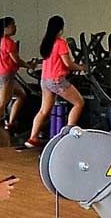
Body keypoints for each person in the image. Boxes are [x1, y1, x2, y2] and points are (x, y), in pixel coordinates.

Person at [27, 15, 85, 149]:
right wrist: (81, 67)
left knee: (44, 110)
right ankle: (68, 135)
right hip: (57, 80)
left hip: (45, 80)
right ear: (61, 28)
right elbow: (68, 63)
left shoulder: (46, 42)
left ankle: (32, 138)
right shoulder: (60, 43)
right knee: (79, 103)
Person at [0, 16, 27, 139]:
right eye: (12, 25)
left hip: (5, 75)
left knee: (21, 95)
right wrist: (28, 65)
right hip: (6, 76)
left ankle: (10, 123)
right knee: (1, 104)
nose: (15, 27)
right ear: (5, 28)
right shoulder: (8, 42)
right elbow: (16, 60)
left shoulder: (0, 41)